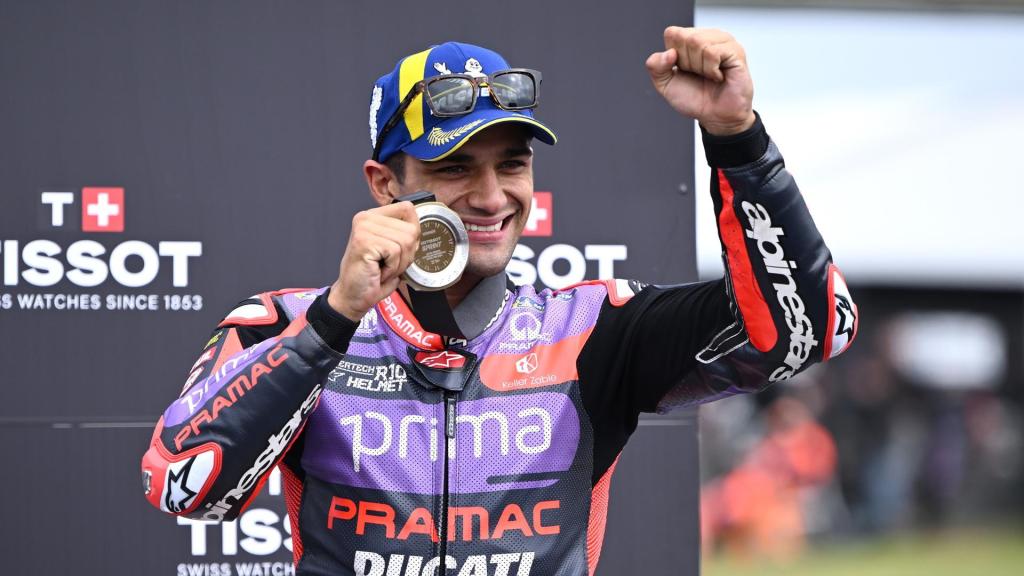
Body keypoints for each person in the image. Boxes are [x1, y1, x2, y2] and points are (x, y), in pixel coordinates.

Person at [141, 27, 858, 576]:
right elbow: (182, 485)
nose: (490, 197)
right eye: (455, 168)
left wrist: (737, 140)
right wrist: (334, 322)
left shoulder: (592, 330)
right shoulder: (287, 325)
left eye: (512, 164)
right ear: (384, 185)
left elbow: (810, 331)